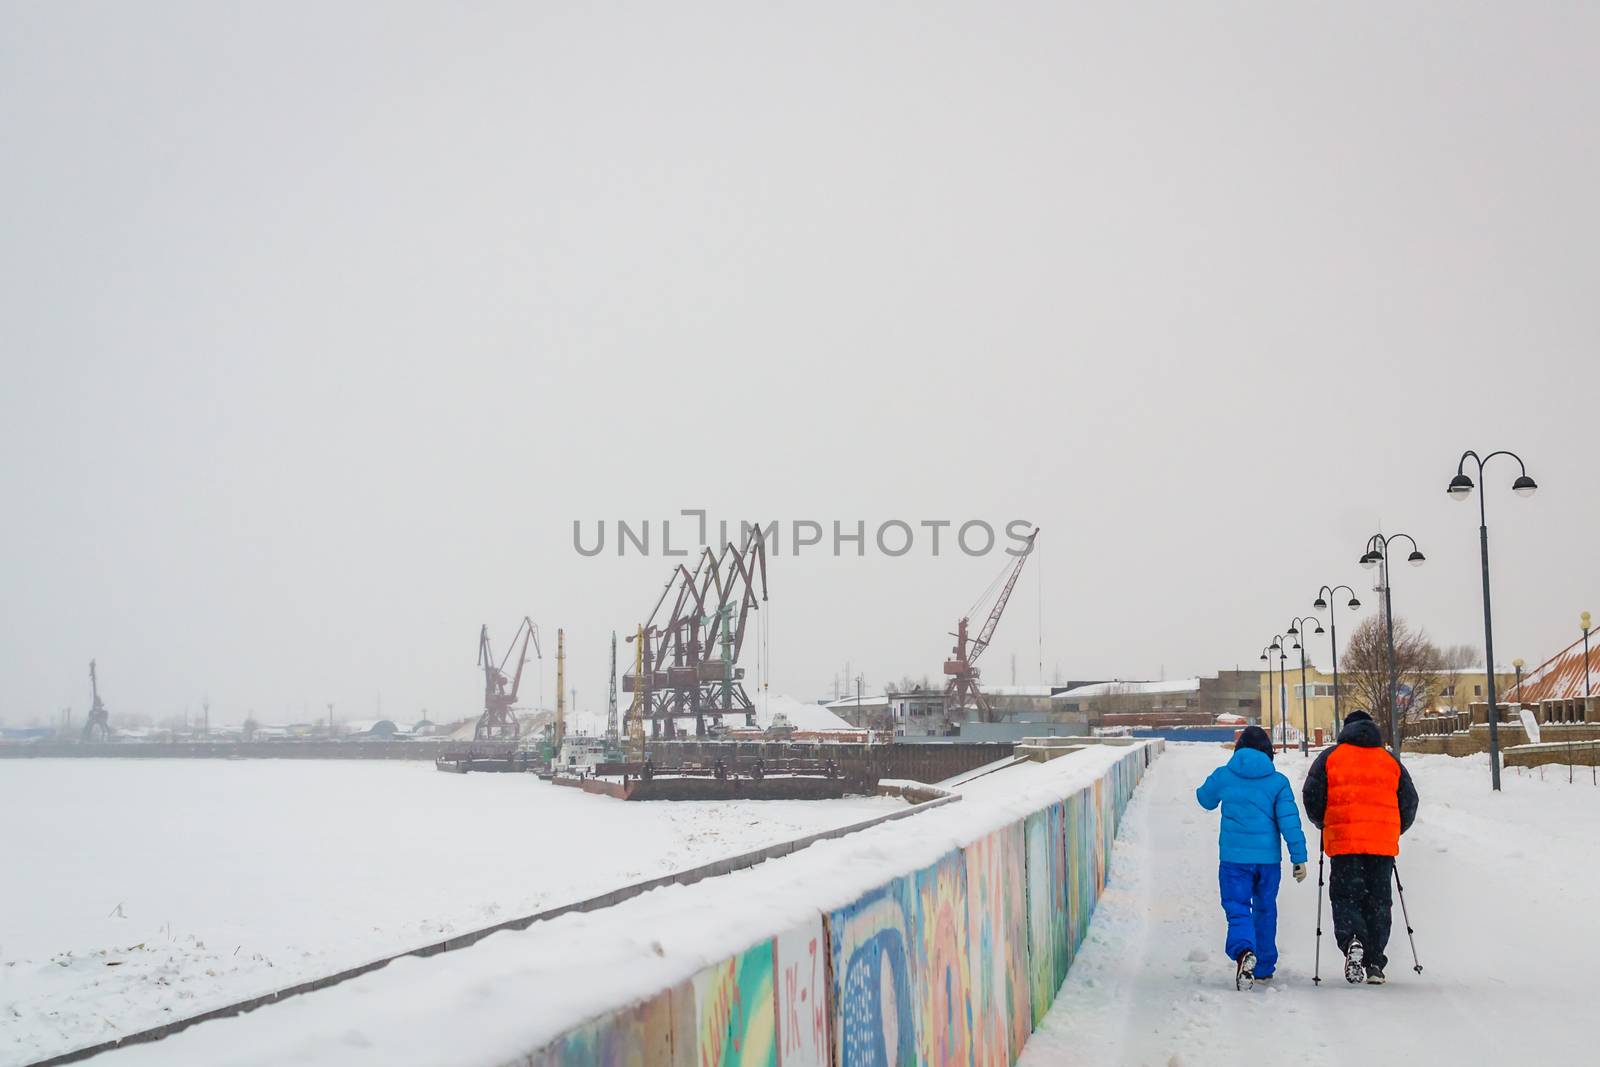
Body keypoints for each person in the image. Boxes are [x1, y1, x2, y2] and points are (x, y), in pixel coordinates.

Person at [1302, 709, 1419, 985]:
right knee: (1379, 901)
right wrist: (1392, 828)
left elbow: (1312, 794)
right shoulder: (1389, 761)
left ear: (1346, 729)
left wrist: (1323, 821)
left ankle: (1353, 939)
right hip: (1381, 845)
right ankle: (1376, 961)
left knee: (1345, 897)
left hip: (1344, 843)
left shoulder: (1330, 758)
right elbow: (1410, 801)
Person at [1196, 725, 1308, 987]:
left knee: (1237, 908)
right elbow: (1290, 823)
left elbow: (1204, 799)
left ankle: (1245, 951)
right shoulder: (1278, 782)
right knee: (1265, 909)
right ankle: (1264, 967)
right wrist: (1298, 858)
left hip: (1234, 860)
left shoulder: (1225, 775)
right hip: (1269, 862)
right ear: (1269, 752)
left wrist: (1225, 784)